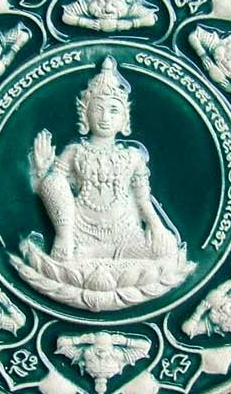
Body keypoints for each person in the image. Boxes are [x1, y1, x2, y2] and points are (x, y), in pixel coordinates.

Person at [30, 55, 178, 263]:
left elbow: (143, 200)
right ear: (85, 115)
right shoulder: (75, 151)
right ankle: (66, 241)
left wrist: (156, 225)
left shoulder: (133, 156)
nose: (105, 117)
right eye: (97, 109)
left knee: (168, 247)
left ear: (125, 119)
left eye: (113, 110)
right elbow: (52, 189)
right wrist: (40, 172)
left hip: (125, 233)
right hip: (80, 230)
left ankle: (92, 255)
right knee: (53, 180)